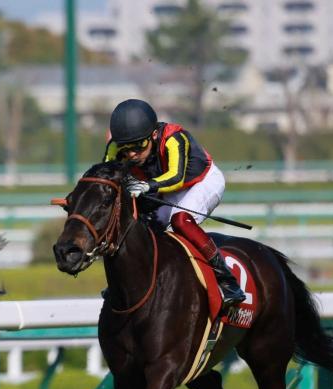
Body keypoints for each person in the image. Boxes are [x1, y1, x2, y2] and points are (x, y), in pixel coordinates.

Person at [104, 98, 246, 309]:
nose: (132, 154)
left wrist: (147, 186)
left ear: (154, 135)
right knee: (140, 225)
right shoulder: (116, 147)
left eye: (139, 146)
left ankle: (227, 280)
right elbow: (105, 177)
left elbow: (176, 177)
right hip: (166, 189)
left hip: (202, 182)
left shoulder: (174, 138)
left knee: (180, 221)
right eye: (126, 148)